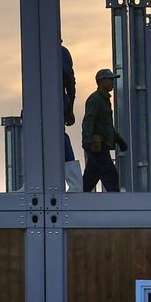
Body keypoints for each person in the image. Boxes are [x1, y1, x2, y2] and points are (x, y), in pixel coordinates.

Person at [81, 68, 128, 192]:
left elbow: (107, 125)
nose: (113, 82)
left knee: (90, 178)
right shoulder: (95, 99)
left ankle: (79, 199)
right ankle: (115, 203)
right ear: (101, 81)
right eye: (110, 79)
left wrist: (118, 139)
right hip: (97, 147)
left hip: (101, 147)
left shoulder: (105, 100)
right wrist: (87, 141)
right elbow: (88, 120)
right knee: (111, 177)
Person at [62, 42, 82, 191]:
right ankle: (75, 184)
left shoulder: (60, 53)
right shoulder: (60, 52)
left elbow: (69, 80)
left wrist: (70, 108)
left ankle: (75, 184)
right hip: (45, 101)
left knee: (60, 138)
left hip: (55, 100)